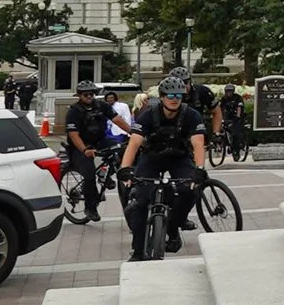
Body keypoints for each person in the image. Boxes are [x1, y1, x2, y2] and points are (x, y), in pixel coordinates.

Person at [122, 74, 207, 260]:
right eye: (170, 95)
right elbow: (134, 144)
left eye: (179, 95)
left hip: (179, 158)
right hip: (151, 158)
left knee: (190, 191)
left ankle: (173, 226)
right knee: (140, 202)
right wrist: (125, 169)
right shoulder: (148, 115)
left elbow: (198, 144)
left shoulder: (191, 115)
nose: (175, 99)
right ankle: (137, 251)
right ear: (161, 97)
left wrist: (199, 169)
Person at [60, 79, 115, 222]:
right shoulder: (74, 111)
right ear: (79, 96)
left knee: (121, 149)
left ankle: (105, 175)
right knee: (89, 174)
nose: (89, 97)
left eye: (91, 94)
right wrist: (84, 150)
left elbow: (117, 119)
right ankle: (90, 207)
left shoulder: (101, 106)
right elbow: (73, 135)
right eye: (85, 95)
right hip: (80, 146)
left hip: (99, 141)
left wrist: (133, 133)